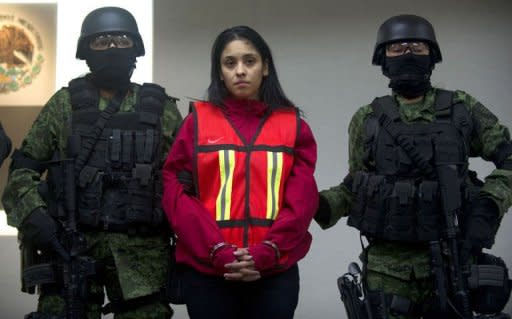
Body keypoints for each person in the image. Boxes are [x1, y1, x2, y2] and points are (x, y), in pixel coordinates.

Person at [315, 14, 512, 318]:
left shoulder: (463, 109)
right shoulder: (367, 119)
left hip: (454, 261)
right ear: (383, 59)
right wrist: (317, 204)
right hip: (387, 270)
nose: (408, 54)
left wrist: (490, 203)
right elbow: (356, 184)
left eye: (417, 47)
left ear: (432, 56)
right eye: (397, 49)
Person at [2, 6, 182, 319]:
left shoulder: (161, 109)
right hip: (70, 249)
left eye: (121, 40)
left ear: (135, 48)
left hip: (143, 259)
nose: (112, 48)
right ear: (86, 52)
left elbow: (184, 181)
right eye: (101, 42)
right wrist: (37, 218)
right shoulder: (63, 105)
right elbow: (22, 172)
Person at [161, 25, 318, 319]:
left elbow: (301, 201)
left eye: (250, 61)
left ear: (266, 67)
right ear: (219, 72)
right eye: (230, 63)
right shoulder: (196, 124)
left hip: (273, 272)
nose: (240, 71)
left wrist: (268, 251)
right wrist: (217, 250)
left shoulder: (293, 126)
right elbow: (177, 195)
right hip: (208, 272)